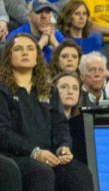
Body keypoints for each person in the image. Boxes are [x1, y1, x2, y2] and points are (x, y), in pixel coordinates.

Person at [0, 34, 92, 190]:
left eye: (30, 49)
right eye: (18, 49)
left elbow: (60, 125)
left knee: (79, 172)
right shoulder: (2, 89)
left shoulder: (50, 91)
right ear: (9, 56)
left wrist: (63, 147)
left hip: (49, 155)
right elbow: (2, 132)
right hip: (14, 156)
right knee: (41, 172)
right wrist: (34, 152)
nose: (25, 53)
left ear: (37, 56)